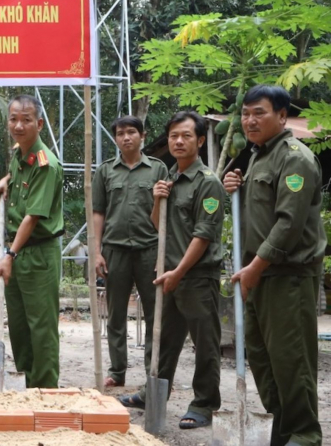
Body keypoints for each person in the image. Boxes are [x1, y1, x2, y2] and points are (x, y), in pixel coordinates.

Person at [223, 85, 324, 446]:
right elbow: (257, 216)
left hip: (287, 277)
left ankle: (304, 435)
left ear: (282, 116)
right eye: (246, 113)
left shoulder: (294, 157)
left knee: (291, 361)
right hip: (259, 275)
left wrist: (254, 267)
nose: (249, 120)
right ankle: (281, 432)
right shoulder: (258, 157)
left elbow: (288, 224)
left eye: (259, 113)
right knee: (264, 361)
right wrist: (233, 185)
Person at [120, 111, 224, 430]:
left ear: (201, 141)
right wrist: (156, 201)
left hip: (195, 277)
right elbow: (158, 225)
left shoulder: (207, 183)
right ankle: (154, 392)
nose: (178, 141)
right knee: (164, 340)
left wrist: (178, 271)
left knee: (204, 343)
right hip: (170, 275)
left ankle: (203, 404)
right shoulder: (170, 181)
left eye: (186, 136)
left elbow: (203, 236)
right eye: (173, 136)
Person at [0, 94, 63, 389]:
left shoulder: (46, 163)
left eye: (26, 120)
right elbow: (21, 175)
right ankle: (26, 385)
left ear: (39, 123)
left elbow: (32, 217)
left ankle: (45, 391)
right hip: (19, 253)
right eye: (13, 119)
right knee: (20, 327)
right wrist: (6, 177)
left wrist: (8, 253)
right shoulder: (20, 155)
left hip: (37, 252)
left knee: (41, 327)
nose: (19, 125)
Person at [93, 116, 167, 388]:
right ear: (115, 139)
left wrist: (163, 253)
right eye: (121, 133)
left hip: (150, 250)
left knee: (153, 313)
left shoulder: (158, 169)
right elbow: (98, 212)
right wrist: (97, 252)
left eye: (132, 132)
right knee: (115, 314)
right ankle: (117, 371)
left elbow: (165, 214)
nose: (126, 137)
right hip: (115, 251)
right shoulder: (105, 172)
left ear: (142, 136)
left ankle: (153, 370)